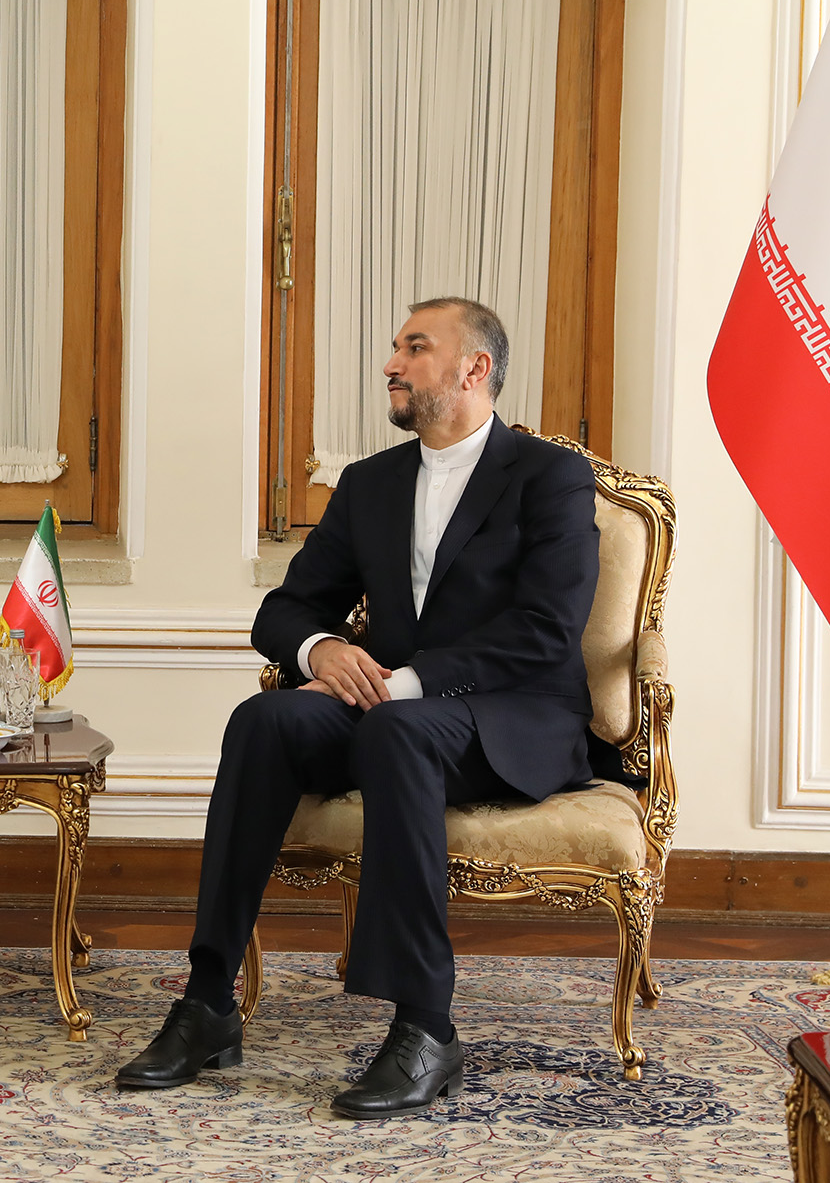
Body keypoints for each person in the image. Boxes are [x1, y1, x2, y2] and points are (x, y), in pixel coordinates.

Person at [115, 297, 602, 1118]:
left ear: (474, 369)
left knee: (396, 728)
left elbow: (546, 630)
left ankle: (426, 1027)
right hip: (396, 719)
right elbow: (285, 609)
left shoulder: (549, 475)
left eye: (415, 348)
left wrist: (397, 684)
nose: (391, 364)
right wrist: (323, 652)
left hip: (512, 719)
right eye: (395, 348)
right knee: (266, 720)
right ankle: (208, 1001)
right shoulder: (371, 483)